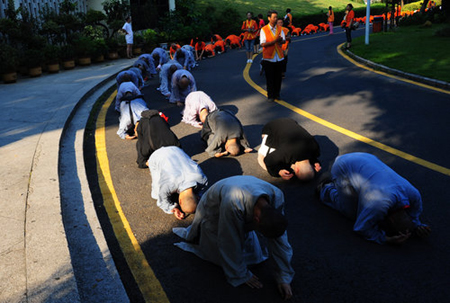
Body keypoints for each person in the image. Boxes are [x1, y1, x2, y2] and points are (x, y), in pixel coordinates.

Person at [173, 175, 294, 300]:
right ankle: (204, 236)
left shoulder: (277, 196)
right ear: (255, 220)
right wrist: (241, 274)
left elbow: (280, 240)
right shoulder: (234, 202)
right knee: (225, 255)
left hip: (239, 194)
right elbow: (229, 240)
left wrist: (284, 277)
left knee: (254, 258)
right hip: (214, 212)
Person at [317, 152, 431, 245]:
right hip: (343, 167)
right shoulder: (379, 205)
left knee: (363, 208)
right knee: (352, 213)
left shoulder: (415, 196)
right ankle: (326, 187)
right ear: (389, 220)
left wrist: (418, 226)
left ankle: (344, 185)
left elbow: (414, 217)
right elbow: (361, 228)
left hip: (366, 157)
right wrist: (386, 239)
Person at [148, 146, 207, 220]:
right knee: (156, 194)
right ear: (180, 201)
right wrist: (173, 209)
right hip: (156, 156)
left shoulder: (202, 178)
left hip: (176, 149)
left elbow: (201, 192)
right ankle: (152, 163)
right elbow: (162, 201)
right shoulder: (168, 184)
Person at [260, 10, 286, 102]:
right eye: (274, 17)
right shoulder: (264, 29)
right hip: (268, 57)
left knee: (278, 78)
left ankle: (277, 94)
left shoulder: (280, 28)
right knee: (270, 78)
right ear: (269, 18)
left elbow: (283, 40)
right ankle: (270, 95)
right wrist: (274, 41)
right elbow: (263, 44)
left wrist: (281, 40)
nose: (275, 19)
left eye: (276, 17)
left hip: (279, 56)